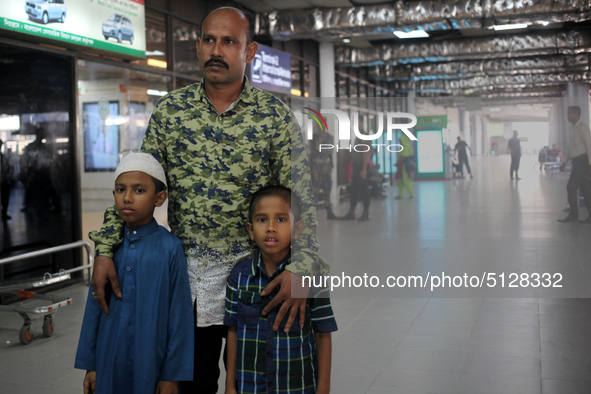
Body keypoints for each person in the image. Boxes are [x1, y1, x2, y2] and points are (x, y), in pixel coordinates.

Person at [88, 6, 328, 393]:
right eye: (209, 40)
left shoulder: (274, 117)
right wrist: (105, 248)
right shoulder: (170, 113)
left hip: (254, 281)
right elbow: (138, 186)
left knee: (253, 382)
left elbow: (300, 198)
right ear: (199, 46)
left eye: (229, 41)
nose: (216, 49)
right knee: (191, 382)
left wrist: (300, 270)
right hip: (184, 281)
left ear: (249, 52)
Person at [75, 153, 194, 394]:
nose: (127, 198)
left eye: (139, 191)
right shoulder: (108, 251)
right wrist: (91, 365)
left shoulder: (171, 248)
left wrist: (171, 375)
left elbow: (179, 316)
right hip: (109, 359)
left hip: (152, 361)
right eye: (120, 190)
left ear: (159, 198)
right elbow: (94, 306)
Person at [224, 186, 337, 394]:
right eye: (261, 220)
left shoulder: (311, 279)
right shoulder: (239, 276)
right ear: (250, 230)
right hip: (250, 387)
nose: (271, 227)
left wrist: (323, 389)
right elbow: (233, 332)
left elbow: (323, 334)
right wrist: (230, 385)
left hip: (297, 387)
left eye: (281, 219)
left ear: (297, 229)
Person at [558, 106, 591, 223]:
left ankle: (574, 216)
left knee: (571, 187)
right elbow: (570, 148)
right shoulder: (573, 129)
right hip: (576, 163)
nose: (567, 116)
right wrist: (564, 162)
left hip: (582, 163)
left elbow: (589, 146)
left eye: (569, 113)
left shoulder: (583, 128)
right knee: (586, 190)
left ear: (576, 114)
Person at [310, 128, 337, 219]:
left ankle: (329, 211)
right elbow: (312, 152)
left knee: (327, 189)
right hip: (316, 168)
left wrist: (331, 165)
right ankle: (313, 213)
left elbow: (330, 153)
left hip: (326, 167)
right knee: (315, 190)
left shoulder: (329, 137)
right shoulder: (314, 137)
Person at [343, 137, 371, 221]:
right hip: (356, 166)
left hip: (361, 166)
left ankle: (366, 213)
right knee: (354, 190)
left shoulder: (363, 136)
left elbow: (366, 152)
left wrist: (364, 169)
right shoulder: (357, 138)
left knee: (364, 190)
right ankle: (351, 212)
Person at [395, 135, 415, 199]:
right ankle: (400, 194)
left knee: (406, 180)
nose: (399, 142)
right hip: (401, 166)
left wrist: (397, 163)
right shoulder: (405, 146)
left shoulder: (405, 147)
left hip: (403, 166)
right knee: (400, 180)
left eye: (400, 140)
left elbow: (403, 156)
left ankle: (411, 194)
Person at [0, 139, 13, 221]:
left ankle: (4, 213)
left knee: (5, 198)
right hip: (3, 180)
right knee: (4, 198)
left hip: (4, 180)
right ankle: (3, 213)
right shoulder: (2, 156)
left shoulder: (2, 156)